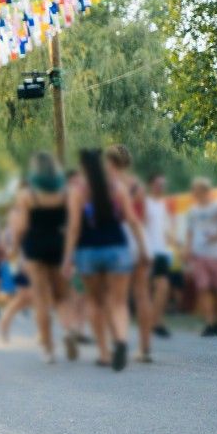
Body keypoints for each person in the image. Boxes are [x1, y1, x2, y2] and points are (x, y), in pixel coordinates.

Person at [62, 149, 148, 372]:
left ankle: (103, 353)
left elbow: (73, 228)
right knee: (118, 302)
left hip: (88, 252)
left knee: (94, 301)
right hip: (117, 250)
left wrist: (68, 258)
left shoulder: (77, 191)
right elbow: (133, 221)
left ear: (83, 168)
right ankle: (120, 339)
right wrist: (143, 249)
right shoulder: (117, 188)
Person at [7, 153, 74, 363]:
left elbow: (22, 227)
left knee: (41, 299)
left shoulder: (27, 195)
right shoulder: (65, 193)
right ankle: (68, 330)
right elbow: (72, 225)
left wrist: (15, 248)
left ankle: (48, 349)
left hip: (34, 247)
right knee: (62, 296)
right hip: (58, 245)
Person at [105, 145, 155, 362]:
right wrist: (144, 246)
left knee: (116, 298)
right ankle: (144, 349)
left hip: (118, 240)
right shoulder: (137, 186)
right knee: (142, 295)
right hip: (139, 237)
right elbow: (142, 218)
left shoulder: (108, 187)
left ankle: (119, 343)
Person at [184, 177, 217, 337]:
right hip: (199, 255)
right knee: (203, 289)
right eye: (194, 190)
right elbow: (190, 233)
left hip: (216, 254)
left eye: (197, 190)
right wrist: (188, 251)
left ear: (205, 191)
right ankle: (210, 323)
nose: (195, 193)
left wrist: (215, 236)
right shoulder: (193, 211)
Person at [143, 174, 175, 338]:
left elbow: (169, 227)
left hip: (162, 252)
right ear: (151, 185)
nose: (160, 187)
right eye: (157, 184)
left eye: (163, 185)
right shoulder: (145, 203)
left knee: (163, 287)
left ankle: (156, 322)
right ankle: (152, 322)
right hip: (147, 252)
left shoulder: (165, 204)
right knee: (146, 289)